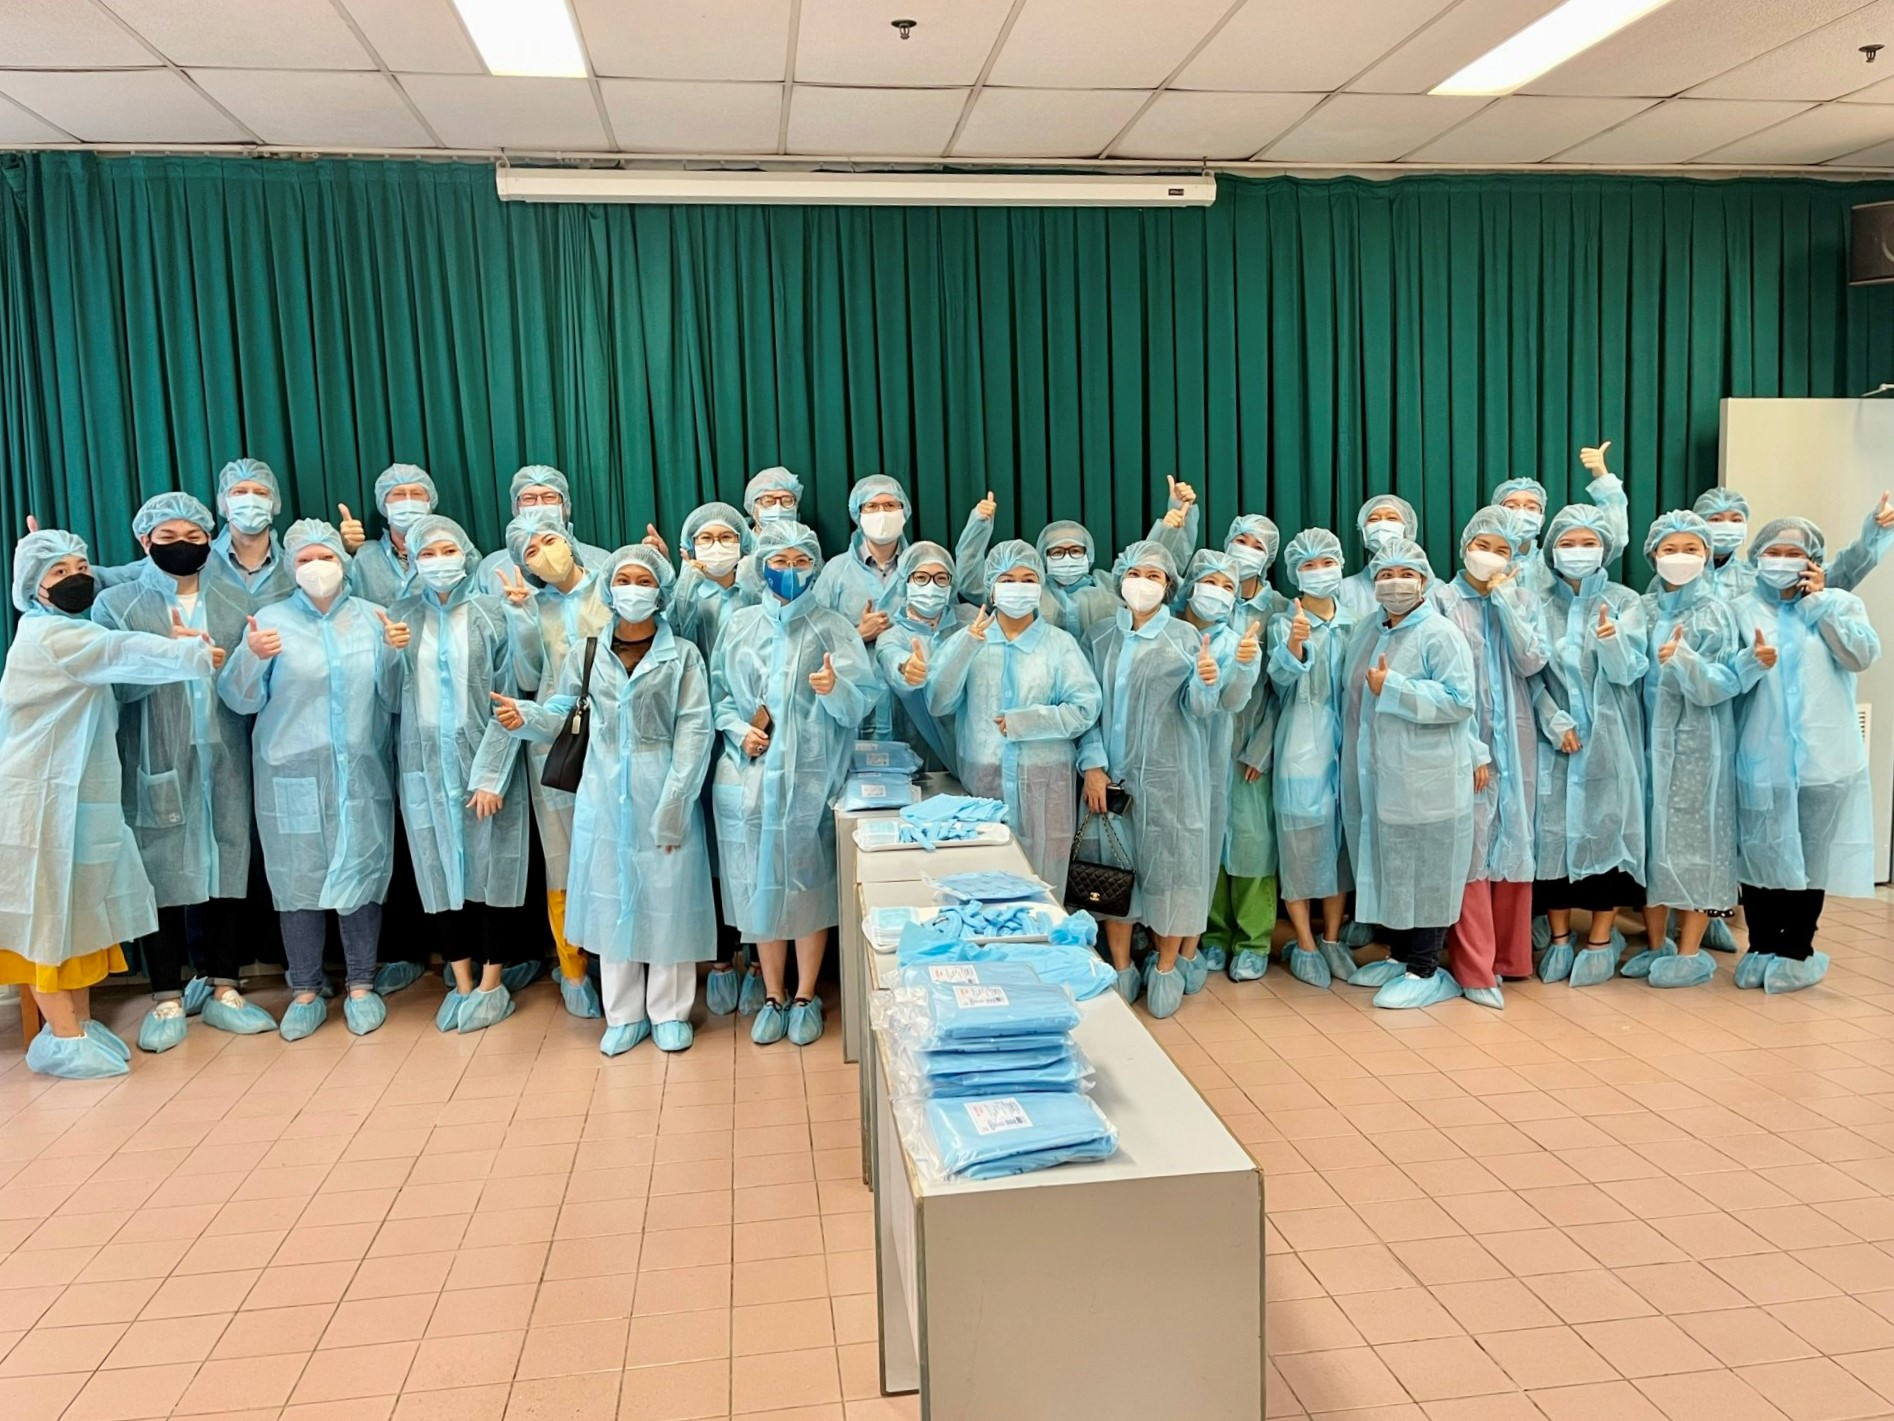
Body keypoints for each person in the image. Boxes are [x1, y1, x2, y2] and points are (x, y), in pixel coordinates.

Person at [0, 530, 217, 1079]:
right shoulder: (50, 636)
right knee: (47, 918)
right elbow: (120, 650)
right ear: (31, 587)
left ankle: (77, 1022)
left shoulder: (67, 628)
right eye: (58, 572)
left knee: (77, 915)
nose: (75, 578)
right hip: (39, 801)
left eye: (81, 567)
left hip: (73, 799)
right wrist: (189, 651)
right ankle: (62, 1037)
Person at [489, 545, 716, 1052]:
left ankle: (669, 1012)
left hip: (663, 784)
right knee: (613, 900)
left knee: (668, 900)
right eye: (624, 580)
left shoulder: (682, 656)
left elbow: (695, 730)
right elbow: (561, 711)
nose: (633, 589)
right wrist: (525, 716)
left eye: (644, 580)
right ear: (609, 589)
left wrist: (675, 802)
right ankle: (624, 1014)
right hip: (602, 790)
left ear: (660, 590)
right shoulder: (587, 652)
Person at [93, 494, 276, 1050]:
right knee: (160, 874)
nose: (183, 546)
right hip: (156, 757)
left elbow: (249, 692)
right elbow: (109, 689)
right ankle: (166, 996)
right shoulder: (118, 606)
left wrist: (246, 660)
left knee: (227, 865)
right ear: (144, 541)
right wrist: (164, 656)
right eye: (167, 538)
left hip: (225, 755)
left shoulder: (233, 600)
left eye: (194, 537)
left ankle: (225, 988)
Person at [219, 519, 399, 1041]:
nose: (316, 567)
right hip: (289, 776)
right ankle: (304, 988)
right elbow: (239, 700)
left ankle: (361, 984)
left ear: (343, 563)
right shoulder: (269, 621)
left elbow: (393, 699)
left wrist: (394, 654)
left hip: (361, 774)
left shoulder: (373, 619)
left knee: (361, 872)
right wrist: (251, 658)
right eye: (303, 560)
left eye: (325, 557)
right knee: (296, 881)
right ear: (290, 567)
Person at [710, 520, 876, 1046]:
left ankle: (805, 994)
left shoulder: (833, 628)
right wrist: (739, 731)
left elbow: (859, 703)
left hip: (811, 784)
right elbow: (719, 698)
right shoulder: (739, 626)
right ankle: (773, 992)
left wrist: (833, 687)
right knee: (759, 885)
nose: (789, 570)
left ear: (814, 565)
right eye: (778, 561)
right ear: (761, 565)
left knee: (808, 886)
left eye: (800, 561)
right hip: (750, 780)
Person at [380, 515, 532, 1032]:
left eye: (448, 550)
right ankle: (462, 984)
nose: (439, 561)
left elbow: (511, 699)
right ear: (413, 560)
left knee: (494, 874)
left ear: (466, 554)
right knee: (437, 874)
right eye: (428, 553)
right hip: (423, 769)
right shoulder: (402, 617)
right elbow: (389, 701)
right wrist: (390, 655)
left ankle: (492, 985)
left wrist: (491, 774)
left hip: (485, 764)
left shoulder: (492, 614)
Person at [1077, 540, 1229, 1018]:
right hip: (1109, 783)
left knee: (1171, 876)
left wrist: (1206, 681)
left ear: (1169, 586)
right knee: (1114, 873)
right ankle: (1122, 967)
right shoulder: (1099, 637)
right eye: (1135, 573)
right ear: (1121, 578)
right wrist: (1093, 765)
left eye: (1154, 576)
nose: (1143, 583)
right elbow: (1086, 709)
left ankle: (1165, 968)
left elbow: (1199, 711)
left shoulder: (1186, 639)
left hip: (1172, 782)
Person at [1731, 518, 1880, 993]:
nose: (1782, 562)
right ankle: (1760, 946)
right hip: (1760, 754)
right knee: (1759, 852)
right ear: (1757, 557)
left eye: (1793, 554)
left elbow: (1860, 656)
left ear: (1813, 560)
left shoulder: (1839, 603)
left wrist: (1819, 604)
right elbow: (1727, 676)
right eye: (1773, 552)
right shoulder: (1739, 610)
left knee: (1812, 856)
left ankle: (1796, 950)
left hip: (1825, 759)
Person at [479, 512, 611, 1018]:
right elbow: (530, 676)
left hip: (617, 743)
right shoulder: (535, 607)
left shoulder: (613, 589)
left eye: (550, 540)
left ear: (571, 538)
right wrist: (521, 619)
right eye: (531, 552)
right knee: (563, 863)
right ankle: (574, 973)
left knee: (615, 855)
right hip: (555, 746)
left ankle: (621, 968)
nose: (545, 555)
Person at [1338, 539, 1477, 1009]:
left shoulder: (1440, 633)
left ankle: (1426, 969)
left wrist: (1394, 687)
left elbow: (1460, 701)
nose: (1394, 583)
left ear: (1423, 580)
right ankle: (1399, 956)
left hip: (1428, 779)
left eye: (1405, 574)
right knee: (1394, 867)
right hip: (1382, 776)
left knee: (1428, 873)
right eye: (1385, 574)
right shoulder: (1369, 630)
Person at [926, 541, 1102, 899]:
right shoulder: (968, 641)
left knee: (1042, 884)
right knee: (982, 884)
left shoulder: (1059, 645)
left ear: (1040, 587)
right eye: (1007, 579)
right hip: (983, 783)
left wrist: (1026, 722)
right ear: (991, 588)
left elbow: (1084, 709)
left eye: (1027, 579)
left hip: (1045, 785)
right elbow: (939, 703)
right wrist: (966, 647)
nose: (1018, 587)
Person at [1626, 510, 1757, 989]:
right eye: (1670, 549)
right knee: (1651, 844)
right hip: (1645, 740)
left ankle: (1689, 952)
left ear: (1706, 554)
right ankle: (1656, 944)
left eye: (1691, 549)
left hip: (1699, 743)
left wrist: (1684, 661)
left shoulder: (1716, 611)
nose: (1679, 557)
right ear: (1653, 554)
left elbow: (1724, 683)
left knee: (1695, 842)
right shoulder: (1642, 609)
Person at [1529, 504, 1649, 987]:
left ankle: (1600, 938)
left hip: (1610, 742)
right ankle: (1560, 938)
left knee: (1607, 837)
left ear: (1605, 548)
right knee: (1552, 842)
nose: (1578, 552)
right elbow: (1527, 671)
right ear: (1552, 550)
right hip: (1555, 745)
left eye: (1588, 543)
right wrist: (1552, 719)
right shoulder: (1537, 603)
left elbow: (1630, 671)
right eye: (1568, 543)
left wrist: (1612, 640)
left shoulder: (1625, 601)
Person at [1433, 508, 1547, 1010]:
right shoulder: (1441, 599)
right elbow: (1439, 676)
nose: (1492, 557)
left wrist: (1505, 600)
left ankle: (1510, 959)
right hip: (1462, 738)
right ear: (1465, 547)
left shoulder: (1523, 599)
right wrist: (1471, 746)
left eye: (1503, 550)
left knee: (1514, 838)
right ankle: (1475, 968)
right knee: (1471, 845)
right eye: (1484, 546)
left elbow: (1532, 660)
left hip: (1516, 739)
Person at [663, 502, 760, 1018]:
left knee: (755, 847)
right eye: (706, 539)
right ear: (690, 548)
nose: (717, 547)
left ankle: (760, 960)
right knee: (712, 854)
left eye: (727, 537)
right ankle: (722, 960)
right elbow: (671, 635)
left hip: (753, 731)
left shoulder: (757, 590)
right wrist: (686, 579)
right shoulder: (687, 596)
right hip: (696, 731)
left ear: (744, 544)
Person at [811, 474, 990, 738]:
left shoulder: (926, 564)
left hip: (922, 702)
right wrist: (857, 634)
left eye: (890, 505)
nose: (882, 513)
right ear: (857, 513)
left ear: (904, 510)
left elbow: (947, 625)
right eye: (872, 506)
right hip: (858, 698)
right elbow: (814, 639)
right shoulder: (836, 572)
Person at [1266, 531, 1357, 987]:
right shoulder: (1283, 623)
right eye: (1309, 564)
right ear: (1295, 573)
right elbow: (1279, 682)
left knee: (1341, 849)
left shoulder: (1359, 623)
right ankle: (1304, 942)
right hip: (1301, 747)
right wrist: (1295, 645)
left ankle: (1333, 938)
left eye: (1327, 562)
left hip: (1352, 747)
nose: (1320, 571)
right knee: (1300, 845)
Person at [1175, 549, 1266, 991]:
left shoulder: (1234, 642)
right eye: (1210, 582)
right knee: (1165, 855)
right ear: (1190, 585)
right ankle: (1165, 939)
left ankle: (1205, 944)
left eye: (1228, 586)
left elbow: (1232, 702)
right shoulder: (1166, 632)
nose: (1218, 591)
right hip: (1156, 763)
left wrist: (1244, 666)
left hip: (1211, 761)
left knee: (1210, 851)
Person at [1205, 517, 1285, 974]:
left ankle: (1254, 942)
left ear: (1269, 555)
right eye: (1241, 539)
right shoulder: (1206, 600)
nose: (1247, 549)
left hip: (1251, 747)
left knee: (1253, 845)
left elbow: (1282, 690)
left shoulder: (1277, 611)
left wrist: (1262, 747)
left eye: (1258, 544)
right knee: (1210, 843)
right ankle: (1213, 935)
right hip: (1204, 742)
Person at [1683, 486, 1894, 604]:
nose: (1727, 525)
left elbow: (1840, 574)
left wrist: (1875, 533)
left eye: (1736, 519)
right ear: (1698, 524)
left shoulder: (1760, 575)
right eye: (1716, 519)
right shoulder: (1678, 575)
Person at [875, 541, 975, 773]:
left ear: (951, 584)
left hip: (971, 752)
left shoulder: (968, 623)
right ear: (905, 583)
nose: (931, 586)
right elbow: (892, 659)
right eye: (921, 578)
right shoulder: (893, 636)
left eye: (941, 578)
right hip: (914, 753)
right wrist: (906, 669)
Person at [1491, 442, 1628, 597]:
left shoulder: (1555, 562)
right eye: (1511, 507)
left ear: (1541, 518)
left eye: (1531, 507)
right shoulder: (1484, 561)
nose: (1521, 513)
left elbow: (1613, 540)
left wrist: (1604, 480)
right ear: (1495, 514)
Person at [474, 465, 612, 595]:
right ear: (516, 507)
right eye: (529, 499)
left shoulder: (601, 562)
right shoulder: (492, 569)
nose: (539, 505)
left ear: (565, 505)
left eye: (549, 497)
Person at [340, 463, 436, 605]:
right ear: (383, 503)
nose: (408, 501)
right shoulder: (363, 557)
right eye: (399, 494)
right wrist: (342, 552)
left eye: (416, 494)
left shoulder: (449, 552)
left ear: (429, 502)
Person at [1338, 495, 1418, 619]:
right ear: (1363, 530)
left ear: (1407, 529)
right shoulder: (1344, 590)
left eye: (1392, 518)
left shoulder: (1434, 590)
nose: (1382, 525)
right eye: (1374, 519)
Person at [1037, 520, 1120, 635]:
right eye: (1057, 552)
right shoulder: (1035, 593)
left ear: (1088, 554)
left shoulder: (1110, 590)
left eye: (1075, 551)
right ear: (1044, 556)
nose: (1067, 558)